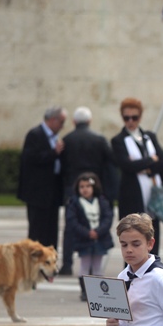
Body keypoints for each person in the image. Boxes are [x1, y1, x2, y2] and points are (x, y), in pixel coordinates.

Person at [60, 107, 116, 276]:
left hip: (72, 187)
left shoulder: (66, 140)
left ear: (74, 122)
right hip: (93, 188)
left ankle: (67, 264)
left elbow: (61, 167)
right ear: (90, 121)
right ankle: (96, 257)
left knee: (71, 227)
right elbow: (110, 165)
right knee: (94, 222)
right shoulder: (99, 139)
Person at [111, 98, 163, 255]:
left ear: (140, 117)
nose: (130, 121)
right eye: (126, 118)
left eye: (134, 117)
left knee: (152, 240)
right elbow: (126, 166)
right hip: (131, 198)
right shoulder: (118, 140)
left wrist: (142, 166)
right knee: (131, 241)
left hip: (153, 198)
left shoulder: (149, 137)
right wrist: (151, 160)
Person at [18, 106, 67, 249]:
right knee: (37, 230)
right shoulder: (35, 135)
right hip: (37, 194)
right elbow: (31, 159)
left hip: (52, 192)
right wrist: (54, 153)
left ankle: (49, 260)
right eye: (62, 122)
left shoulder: (54, 137)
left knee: (51, 230)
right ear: (52, 120)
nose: (63, 126)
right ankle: (33, 261)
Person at [64, 172, 114, 301]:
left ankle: (98, 291)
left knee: (98, 265)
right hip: (83, 240)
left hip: (100, 238)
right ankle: (85, 291)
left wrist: (99, 231)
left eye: (88, 186)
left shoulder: (101, 201)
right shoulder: (74, 203)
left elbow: (108, 218)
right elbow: (72, 221)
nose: (85, 189)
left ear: (94, 187)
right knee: (85, 265)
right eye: (82, 186)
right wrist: (87, 232)